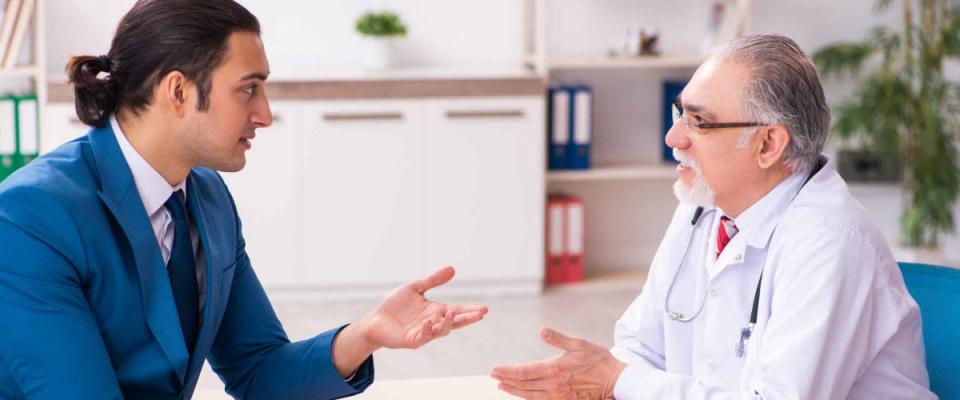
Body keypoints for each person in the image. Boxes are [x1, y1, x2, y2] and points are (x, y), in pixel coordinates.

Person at [0, 1, 487, 398]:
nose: (265, 114)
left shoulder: (206, 198)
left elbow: (258, 371)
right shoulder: (29, 217)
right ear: (178, 91)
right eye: (248, 89)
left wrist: (366, 334)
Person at [491, 34, 935, 399]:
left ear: (768, 144)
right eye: (679, 113)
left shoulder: (830, 243)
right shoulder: (701, 208)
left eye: (699, 123)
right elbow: (638, 345)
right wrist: (610, 379)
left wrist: (615, 380)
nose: (673, 137)